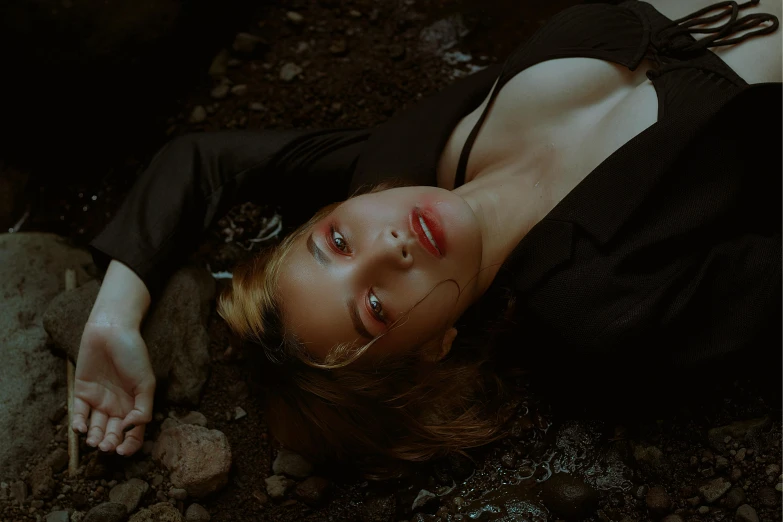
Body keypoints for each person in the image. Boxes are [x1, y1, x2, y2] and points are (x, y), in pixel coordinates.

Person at [71, 0, 781, 476]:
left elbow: (205, 159)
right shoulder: (602, 303)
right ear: (437, 344)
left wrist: (112, 318)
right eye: (376, 308)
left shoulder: (395, 159)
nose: (388, 248)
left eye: (337, 245)